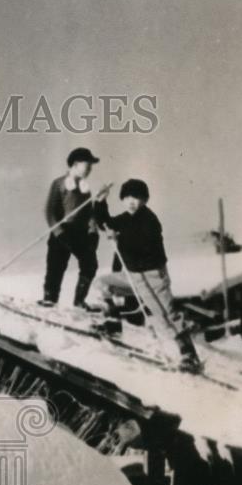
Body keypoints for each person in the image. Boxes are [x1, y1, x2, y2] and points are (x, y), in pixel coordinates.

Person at [93, 179, 203, 373]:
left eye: (136, 197)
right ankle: (113, 325)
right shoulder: (125, 218)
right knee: (103, 284)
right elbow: (106, 223)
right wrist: (101, 202)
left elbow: (141, 247)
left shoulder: (149, 220)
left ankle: (189, 354)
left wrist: (119, 239)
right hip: (133, 275)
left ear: (144, 200)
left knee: (165, 314)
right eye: (127, 197)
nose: (131, 202)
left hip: (152, 275)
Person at [39, 147, 105, 309]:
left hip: (81, 233)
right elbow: (49, 211)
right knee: (56, 264)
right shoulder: (59, 183)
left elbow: (90, 214)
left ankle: (79, 301)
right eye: (87, 165)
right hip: (62, 230)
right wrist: (59, 233)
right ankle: (50, 298)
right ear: (75, 164)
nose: (89, 169)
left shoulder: (85, 189)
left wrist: (93, 231)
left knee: (90, 264)